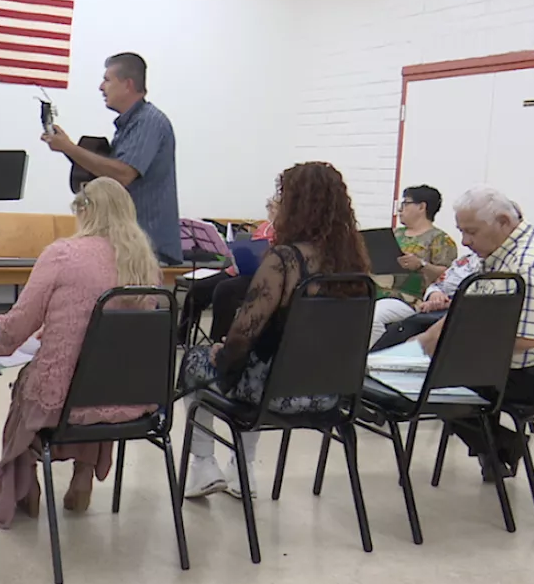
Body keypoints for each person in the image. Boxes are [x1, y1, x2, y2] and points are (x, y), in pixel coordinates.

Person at [181, 162, 370, 499]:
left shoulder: (284, 260)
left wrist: (222, 353)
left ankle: (206, 465)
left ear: (297, 204)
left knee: (198, 360)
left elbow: (243, 335)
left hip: (273, 394)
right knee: (250, 362)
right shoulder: (353, 263)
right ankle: (243, 471)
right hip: (329, 392)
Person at [0, 178, 161, 528]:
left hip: (65, 402)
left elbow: (14, 330)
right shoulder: (146, 265)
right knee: (101, 374)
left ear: (85, 211)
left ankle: (27, 488)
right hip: (131, 399)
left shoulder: (63, 254)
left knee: (26, 384)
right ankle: (83, 475)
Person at [417, 187, 534, 480]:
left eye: (472, 232)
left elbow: (527, 340)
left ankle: (503, 445)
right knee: (431, 361)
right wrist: (435, 334)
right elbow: (474, 306)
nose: (465, 241)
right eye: (462, 231)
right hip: (521, 365)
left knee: (432, 383)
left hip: (532, 374)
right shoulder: (506, 251)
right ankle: (496, 449)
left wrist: (451, 347)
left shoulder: (529, 267)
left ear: (504, 221)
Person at [40, 53, 182, 264]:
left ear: (127, 84)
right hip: (129, 243)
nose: (101, 87)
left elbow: (122, 174)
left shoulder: (149, 122)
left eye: (107, 80)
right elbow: (108, 176)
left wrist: (70, 148)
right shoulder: (130, 126)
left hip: (146, 247)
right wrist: (67, 149)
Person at [369, 185, 457, 346]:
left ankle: (375, 357)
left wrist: (421, 265)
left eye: (405, 203)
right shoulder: (394, 234)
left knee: (372, 317)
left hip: (410, 299)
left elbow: (447, 276)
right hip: (375, 293)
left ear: (422, 207)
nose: (401, 210)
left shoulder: (440, 239)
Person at [207, 199, 279, 343]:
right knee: (201, 287)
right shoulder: (263, 227)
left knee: (224, 289)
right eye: (269, 208)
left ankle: (218, 340)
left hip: (259, 275)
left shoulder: (283, 230)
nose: (270, 212)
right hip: (241, 270)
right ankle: (182, 335)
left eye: (273, 208)